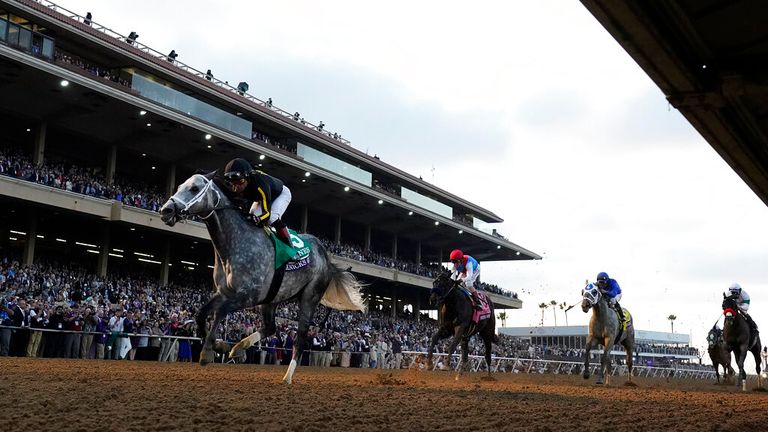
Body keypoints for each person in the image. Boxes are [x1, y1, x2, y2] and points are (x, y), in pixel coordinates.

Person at [223, 158, 293, 246]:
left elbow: (266, 214)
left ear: (247, 177)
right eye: (232, 184)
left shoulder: (260, 186)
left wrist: (258, 219)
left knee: (272, 218)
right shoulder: (242, 184)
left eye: (240, 182)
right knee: (250, 215)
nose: (236, 188)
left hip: (280, 194)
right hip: (259, 197)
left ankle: (290, 246)